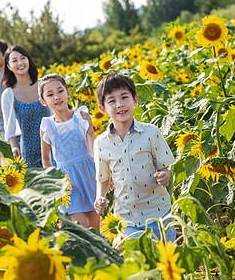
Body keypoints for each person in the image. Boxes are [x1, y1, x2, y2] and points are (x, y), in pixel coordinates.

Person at [93, 73, 176, 241]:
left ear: (135, 100)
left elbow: (165, 168)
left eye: (124, 97)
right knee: (140, 264)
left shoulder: (151, 132)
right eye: (112, 101)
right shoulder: (101, 142)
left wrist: (164, 176)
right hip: (126, 218)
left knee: (167, 262)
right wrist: (99, 197)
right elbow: (103, 177)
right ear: (102, 108)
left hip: (158, 214)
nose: (119, 105)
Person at [38, 74, 99, 230]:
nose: (57, 97)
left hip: (89, 176)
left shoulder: (82, 117)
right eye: (50, 94)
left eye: (60, 91)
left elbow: (93, 148)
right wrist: (54, 184)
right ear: (43, 101)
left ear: (68, 92)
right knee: (80, 229)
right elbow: (46, 159)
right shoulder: (47, 126)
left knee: (95, 229)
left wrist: (102, 171)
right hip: (67, 182)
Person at [1, 46, 51, 168]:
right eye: (14, 60)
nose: (20, 63)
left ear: (28, 60)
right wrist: (13, 147)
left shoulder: (43, 85)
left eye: (23, 58)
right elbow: (9, 126)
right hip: (29, 151)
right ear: (8, 66)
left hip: (53, 144)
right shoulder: (8, 94)